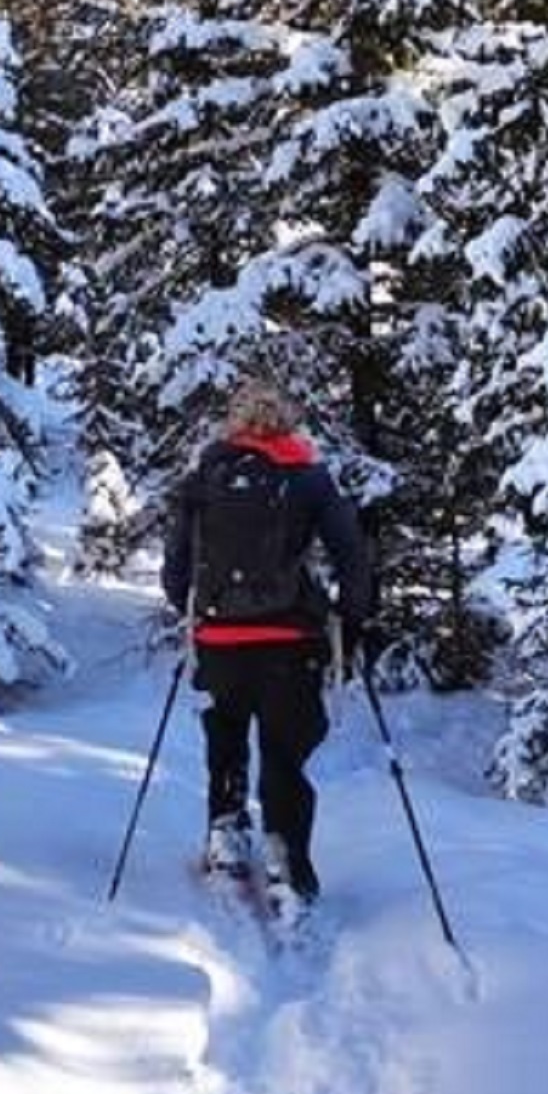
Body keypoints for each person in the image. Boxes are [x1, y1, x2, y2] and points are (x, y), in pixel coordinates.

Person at [162, 380, 371, 911]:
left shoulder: (205, 476)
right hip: (290, 642)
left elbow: (175, 570)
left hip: (219, 640)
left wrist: (195, 607)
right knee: (284, 753)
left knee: (226, 739)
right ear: (290, 424)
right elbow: (351, 553)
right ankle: (285, 859)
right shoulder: (309, 477)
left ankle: (227, 836)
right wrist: (351, 615)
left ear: (234, 423)